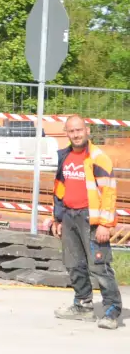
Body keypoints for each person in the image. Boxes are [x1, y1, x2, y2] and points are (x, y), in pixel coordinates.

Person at [50, 115, 120, 329]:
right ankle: (82, 305)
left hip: (91, 218)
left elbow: (108, 192)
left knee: (99, 266)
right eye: (71, 131)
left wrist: (105, 225)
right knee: (73, 264)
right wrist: (58, 218)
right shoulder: (66, 156)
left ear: (87, 130)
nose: (76, 134)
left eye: (79, 130)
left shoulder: (98, 157)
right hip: (70, 216)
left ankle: (111, 310)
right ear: (66, 132)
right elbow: (60, 190)